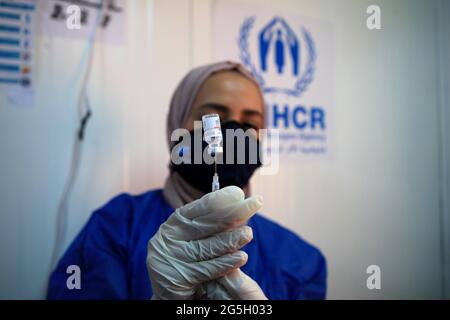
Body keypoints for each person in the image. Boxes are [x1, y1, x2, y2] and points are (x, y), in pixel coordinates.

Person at [47, 61, 327, 300]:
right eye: (212, 118)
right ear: (177, 124)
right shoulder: (116, 227)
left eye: (250, 124)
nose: (231, 133)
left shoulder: (301, 261)